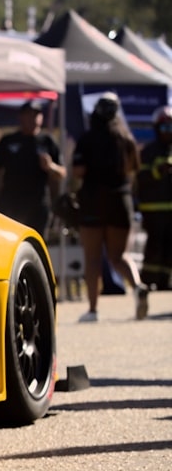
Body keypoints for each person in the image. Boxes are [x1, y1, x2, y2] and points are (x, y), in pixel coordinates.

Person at [71, 92, 149, 321]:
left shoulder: (87, 138)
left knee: (93, 258)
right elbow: (134, 169)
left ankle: (93, 310)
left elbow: (78, 170)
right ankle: (137, 287)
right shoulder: (126, 139)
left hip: (94, 200)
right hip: (120, 201)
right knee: (119, 256)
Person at [0, 100, 66, 237]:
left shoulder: (47, 142)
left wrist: (51, 167)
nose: (33, 119)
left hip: (38, 205)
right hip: (10, 203)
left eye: (36, 115)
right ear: (21, 117)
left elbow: (62, 173)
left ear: (41, 118)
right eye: (29, 115)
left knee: (36, 243)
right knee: (9, 242)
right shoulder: (8, 141)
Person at [135, 105, 172, 290]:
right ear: (157, 129)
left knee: (169, 247)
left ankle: (165, 281)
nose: (168, 132)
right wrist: (159, 171)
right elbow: (141, 179)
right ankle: (148, 280)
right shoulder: (148, 152)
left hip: (170, 209)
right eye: (165, 128)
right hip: (153, 209)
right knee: (154, 246)